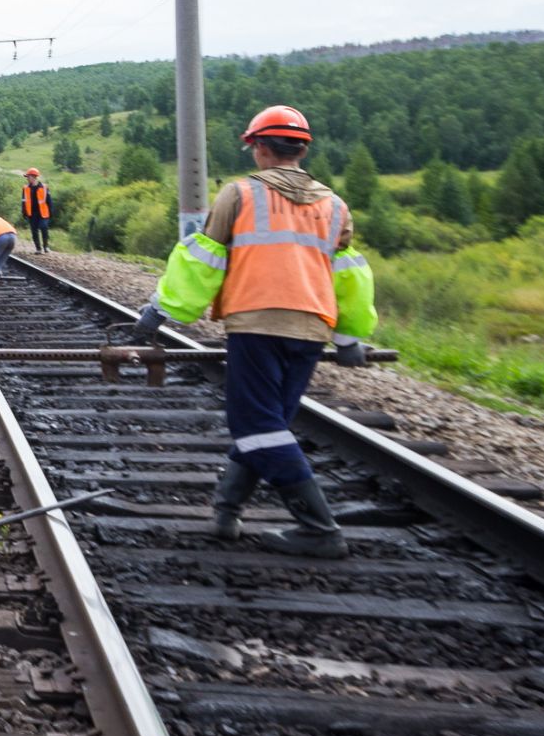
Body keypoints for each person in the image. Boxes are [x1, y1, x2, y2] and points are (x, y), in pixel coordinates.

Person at [129, 105, 376, 559]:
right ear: (301, 149)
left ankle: (320, 528)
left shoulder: (239, 194)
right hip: (311, 327)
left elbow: (202, 259)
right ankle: (227, 513)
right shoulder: (335, 205)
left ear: (259, 147)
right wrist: (348, 336)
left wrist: (159, 311)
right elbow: (348, 275)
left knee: (255, 426)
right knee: (271, 425)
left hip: (258, 323)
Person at [21, 169, 54, 253]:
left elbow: (49, 201)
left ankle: (46, 247)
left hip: (43, 213)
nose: (27, 178)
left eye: (28, 177)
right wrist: (24, 212)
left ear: (34, 177)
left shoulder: (44, 187)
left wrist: (51, 212)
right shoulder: (25, 188)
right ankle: (38, 249)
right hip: (31, 214)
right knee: (34, 231)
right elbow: (24, 201)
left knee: (43, 227)